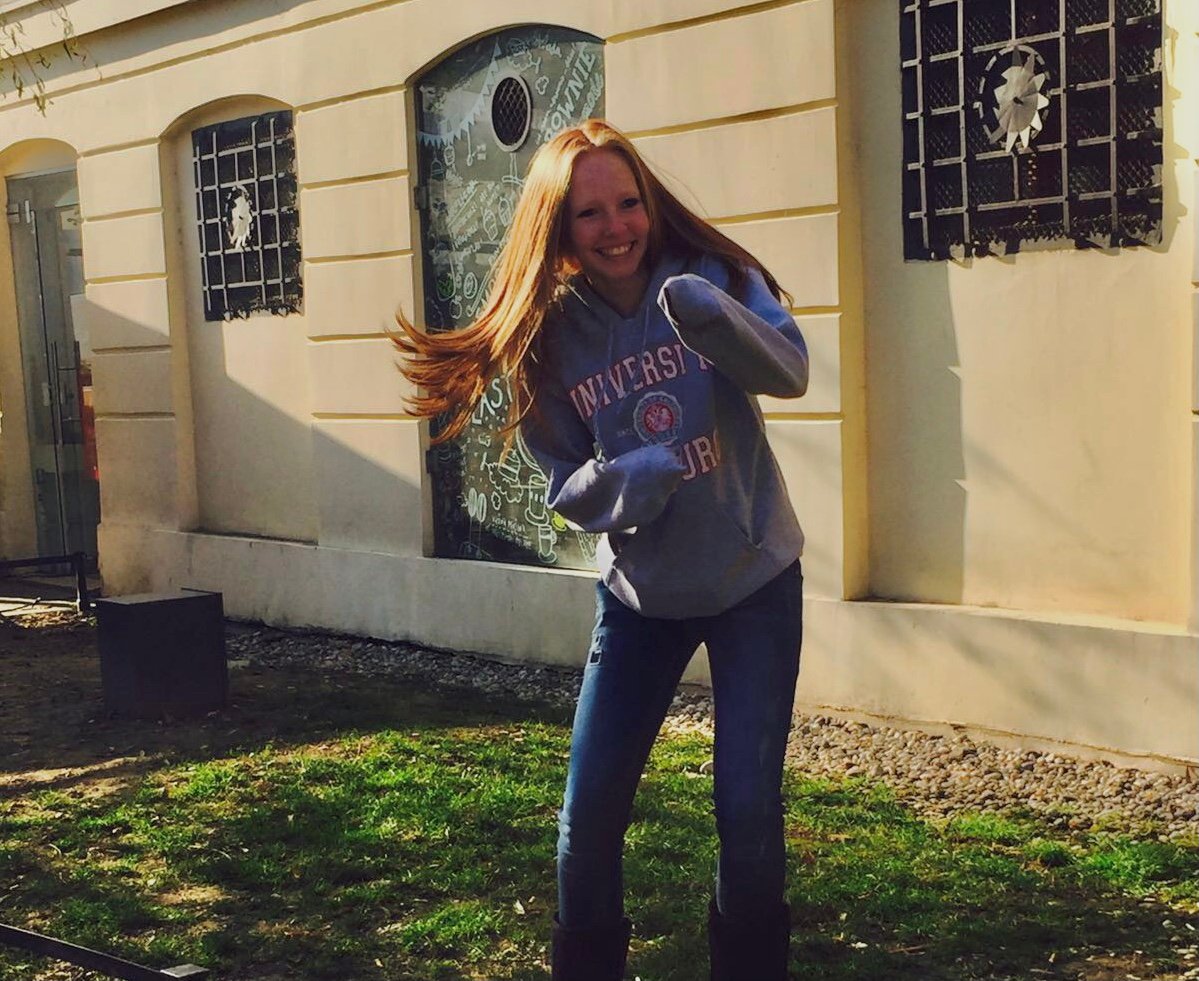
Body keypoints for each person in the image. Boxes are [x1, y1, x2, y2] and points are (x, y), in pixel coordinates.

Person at [395, 119, 808, 981]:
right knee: (587, 820)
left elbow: (788, 370)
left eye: (628, 203)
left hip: (752, 582)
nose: (616, 226)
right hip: (639, 601)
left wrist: (713, 322)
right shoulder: (547, 336)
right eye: (590, 214)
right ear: (558, 225)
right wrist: (630, 480)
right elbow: (567, 491)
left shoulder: (715, 275)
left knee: (744, 806)